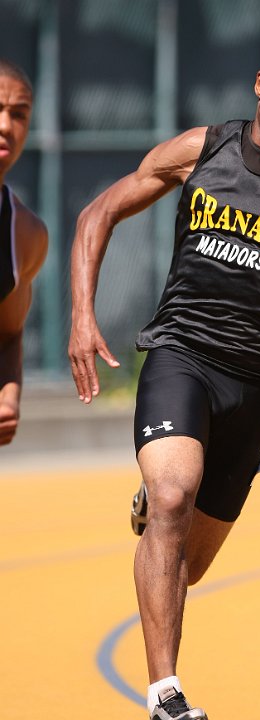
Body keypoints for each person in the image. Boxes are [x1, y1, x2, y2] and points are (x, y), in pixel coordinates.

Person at [69, 36, 260, 720]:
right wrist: (83, 316)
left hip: (256, 385)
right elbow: (98, 213)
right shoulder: (202, 150)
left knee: (186, 566)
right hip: (181, 354)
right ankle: (165, 693)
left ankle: (155, 507)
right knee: (175, 496)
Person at [0, 59, 48, 446]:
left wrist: (9, 394)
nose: (5, 126)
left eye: (18, 114)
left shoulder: (25, 234)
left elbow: (9, 334)